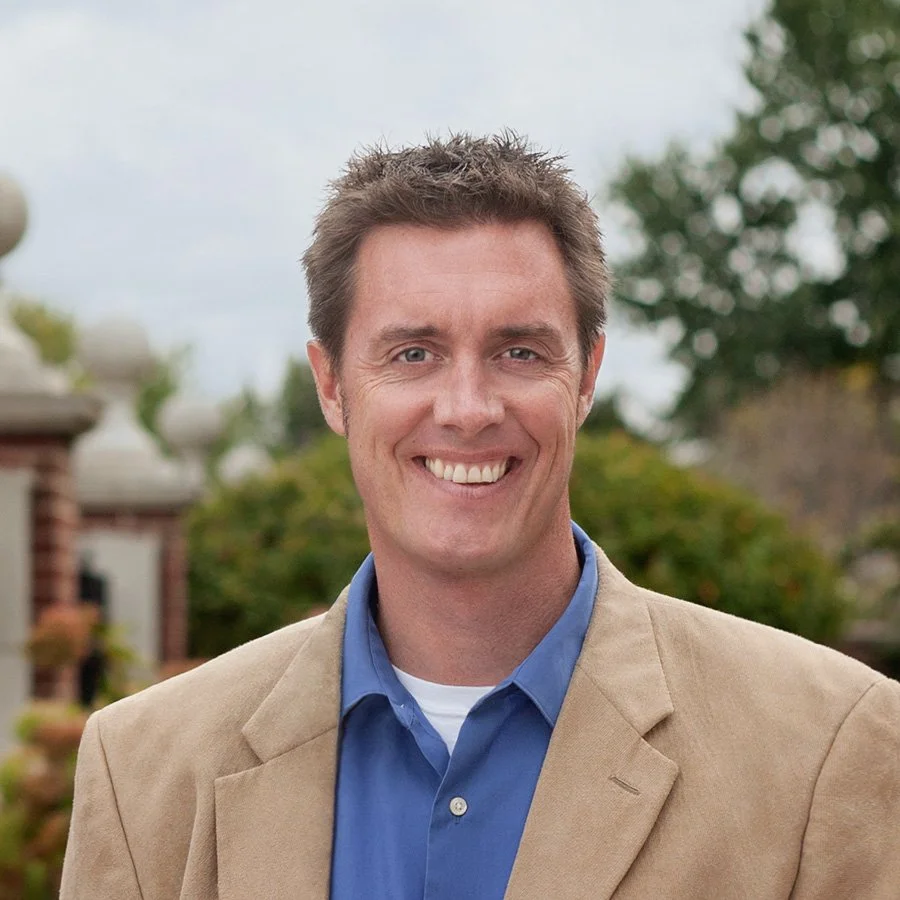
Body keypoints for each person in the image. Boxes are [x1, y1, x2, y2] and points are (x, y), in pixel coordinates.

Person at [61, 133, 900, 900]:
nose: (467, 408)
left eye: (519, 352)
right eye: (413, 353)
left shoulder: (825, 747)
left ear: (586, 377)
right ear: (331, 385)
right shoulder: (144, 776)